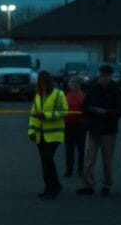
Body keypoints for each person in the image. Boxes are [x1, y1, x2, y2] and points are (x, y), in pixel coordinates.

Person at [77, 64, 121, 197]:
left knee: (107, 160)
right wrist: (92, 111)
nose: (101, 78)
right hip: (93, 129)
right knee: (89, 159)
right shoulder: (93, 89)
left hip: (108, 130)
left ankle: (106, 185)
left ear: (109, 76)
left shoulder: (116, 90)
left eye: (104, 76)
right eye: (100, 76)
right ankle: (88, 184)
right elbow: (84, 106)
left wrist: (106, 112)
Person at [28, 71, 67, 200]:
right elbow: (33, 115)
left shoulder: (58, 94)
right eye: (39, 81)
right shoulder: (38, 95)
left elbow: (63, 112)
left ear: (49, 81)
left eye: (43, 81)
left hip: (54, 134)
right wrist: (31, 132)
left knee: (48, 160)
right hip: (40, 135)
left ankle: (53, 188)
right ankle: (50, 188)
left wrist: (46, 115)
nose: (41, 83)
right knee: (45, 162)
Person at [63, 78, 86, 177]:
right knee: (69, 149)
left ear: (79, 85)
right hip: (68, 125)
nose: (72, 85)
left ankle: (81, 169)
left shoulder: (83, 96)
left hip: (80, 126)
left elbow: (86, 109)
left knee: (81, 149)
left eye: (74, 83)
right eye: (71, 82)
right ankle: (69, 170)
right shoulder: (66, 96)